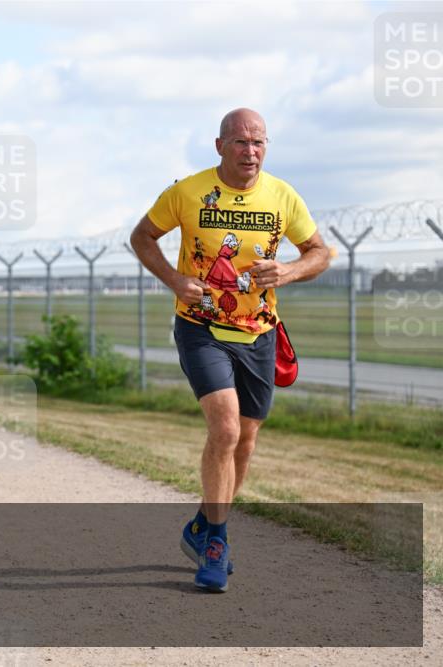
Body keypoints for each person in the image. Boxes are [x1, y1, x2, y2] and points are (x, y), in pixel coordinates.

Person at [129, 108, 331, 593]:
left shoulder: (283, 196)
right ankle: (217, 542)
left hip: (260, 333)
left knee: (245, 440)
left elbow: (321, 253)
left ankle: (202, 524)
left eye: (259, 142)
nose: (251, 151)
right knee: (223, 428)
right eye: (241, 142)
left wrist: (287, 271)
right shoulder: (188, 192)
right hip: (201, 328)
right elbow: (142, 236)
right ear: (219, 146)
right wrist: (176, 279)